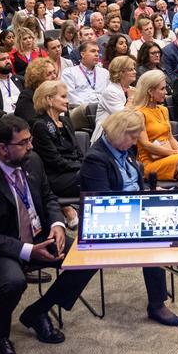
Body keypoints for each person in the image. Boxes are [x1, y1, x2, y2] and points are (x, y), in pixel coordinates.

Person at [0, 116, 97, 354]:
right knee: (14, 282)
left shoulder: (31, 161)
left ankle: (38, 311)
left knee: (88, 257)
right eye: (24, 142)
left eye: (30, 140)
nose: (31, 146)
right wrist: (27, 251)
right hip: (0, 246)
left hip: (37, 234)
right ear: (2, 148)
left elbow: (48, 197)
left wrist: (57, 225)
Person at [77, 110, 178, 328]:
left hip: (135, 207)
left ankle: (158, 293)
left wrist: (148, 193)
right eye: (133, 137)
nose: (136, 142)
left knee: (174, 219)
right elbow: (105, 203)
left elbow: (135, 182)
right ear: (118, 134)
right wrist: (140, 203)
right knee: (155, 240)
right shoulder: (95, 159)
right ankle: (157, 304)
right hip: (112, 218)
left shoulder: (124, 149)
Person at [30, 80, 84, 231]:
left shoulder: (65, 121)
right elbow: (55, 161)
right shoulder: (40, 125)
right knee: (95, 177)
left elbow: (78, 151)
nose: (67, 101)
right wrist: (83, 167)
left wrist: (85, 164)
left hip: (73, 171)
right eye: (63, 97)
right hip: (56, 177)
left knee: (99, 173)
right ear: (49, 99)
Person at [127, 70, 178, 186]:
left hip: (168, 157)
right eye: (162, 89)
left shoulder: (163, 110)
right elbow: (146, 144)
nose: (166, 92)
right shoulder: (139, 113)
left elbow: (170, 138)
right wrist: (174, 153)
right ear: (150, 91)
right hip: (150, 163)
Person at [91, 55, 136, 134]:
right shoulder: (110, 92)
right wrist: (131, 99)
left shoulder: (132, 89)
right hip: (108, 135)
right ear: (120, 72)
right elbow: (123, 117)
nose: (135, 72)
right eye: (130, 70)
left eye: (134, 69)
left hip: (128, 132)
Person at [61, 40, 107, 109]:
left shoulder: (105, 73)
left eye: (98, 51)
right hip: (81, 111)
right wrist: (90, 108)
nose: (97, 54)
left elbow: (110, 93)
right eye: (93, 51)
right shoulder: (69, 73)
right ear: (82, 54)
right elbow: (71, 98)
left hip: (103, 109)